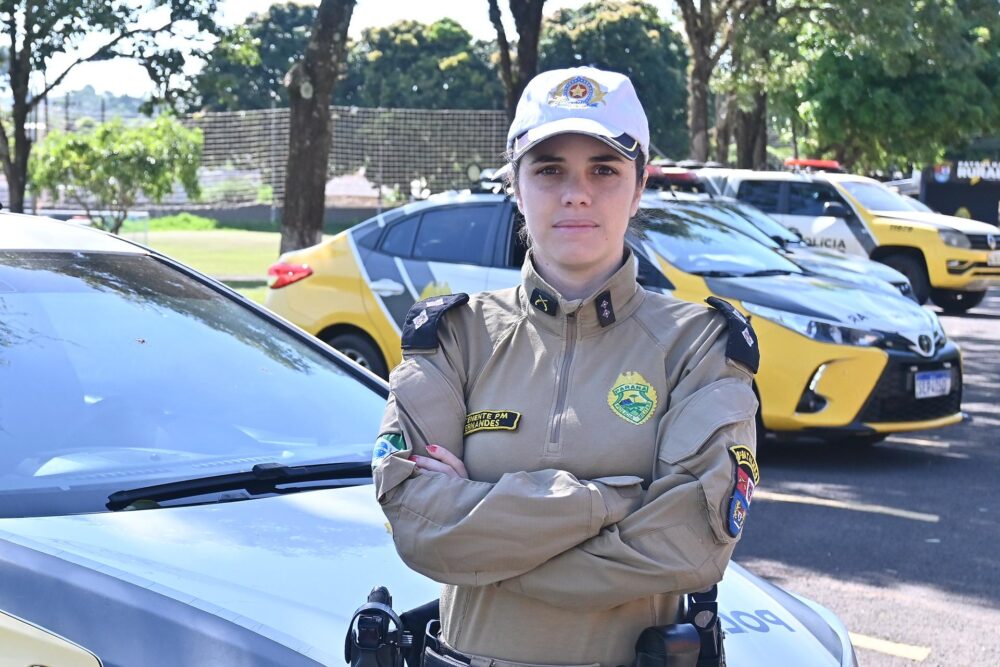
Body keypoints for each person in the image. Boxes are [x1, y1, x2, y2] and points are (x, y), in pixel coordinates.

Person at [372, 66, 760, 667]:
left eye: (604, 169)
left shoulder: (698, 345)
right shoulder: (454, 336)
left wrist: (483, 540)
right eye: (549, 168)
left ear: (638, 188)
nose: (576, 192)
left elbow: (689, 545)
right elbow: (419, 528)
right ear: (516, 186)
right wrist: (616, 502)